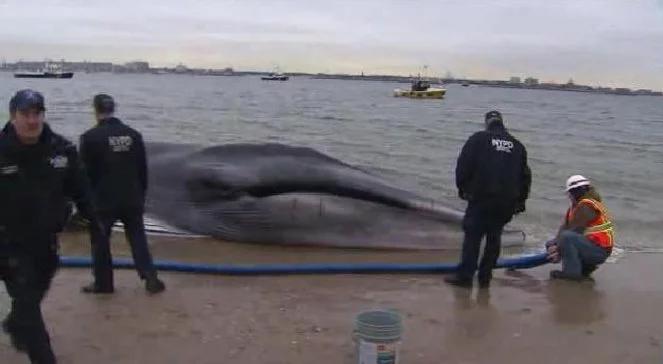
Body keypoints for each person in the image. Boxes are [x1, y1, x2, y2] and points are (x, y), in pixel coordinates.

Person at [0, 89, 99, 363]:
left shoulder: (62, 150)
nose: (32, 120)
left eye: (37, 113)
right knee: (29, 307)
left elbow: (81, 188)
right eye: (25, 114)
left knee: (35, 293)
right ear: (13, 116)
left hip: (45, 241)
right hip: (8, 244)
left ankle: (15, 322)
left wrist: (94, 220)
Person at [79, 94, 165, 294]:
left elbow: (84, 174)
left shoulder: (90, 138)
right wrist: (141, 195)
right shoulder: (133, 135)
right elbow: (142, 170)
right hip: (132, 197)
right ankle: (150, 278)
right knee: (137, 238)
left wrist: (84, 203)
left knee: (100, 241)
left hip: (103, 200)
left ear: (95, 110)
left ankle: (104, 283)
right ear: (113, 108)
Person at [445, 110, 531, 288]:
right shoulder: (518, 146)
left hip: (481, 198)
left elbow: (463, 165)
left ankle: (465, 277)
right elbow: (526, 177)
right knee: (494, 237)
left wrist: (462, 188)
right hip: (506, 203)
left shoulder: (478, 139)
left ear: (487, 123)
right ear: (502, 123)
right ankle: (485, 277)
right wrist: (520, 202)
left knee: (473, 237)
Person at [545, 175, 614, 280]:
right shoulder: (576, 207)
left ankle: (571, 274)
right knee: (555, 241)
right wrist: (553, 245)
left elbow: (575, 230)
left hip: (599, 251)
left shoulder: (587, 206)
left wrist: (557, 249)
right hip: (590, 246)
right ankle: (584, 270)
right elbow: (565, 227)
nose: (569, 196)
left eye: (570, 193)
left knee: (567, 238)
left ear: (576, 192)